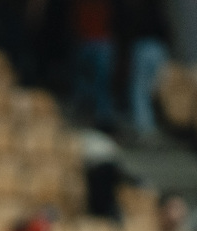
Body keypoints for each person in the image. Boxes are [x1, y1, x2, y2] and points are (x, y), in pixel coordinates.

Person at [123, 0, 171, 139]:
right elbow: (167, 30)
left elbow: (130, 30)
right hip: (159, 48)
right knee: (157, 88)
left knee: (140, 89)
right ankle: (161, 124)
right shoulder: (157, 11)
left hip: (143, 47)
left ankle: (145, 127)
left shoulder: (138, 10)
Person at [71, 0, 116, 130]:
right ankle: (88, 114)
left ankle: (102, 117)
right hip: (88, 41)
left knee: (100, 82)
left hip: (100, 41)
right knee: (87, 81)